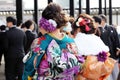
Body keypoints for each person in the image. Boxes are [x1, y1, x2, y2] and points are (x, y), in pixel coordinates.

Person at [22, 2, 81, 80]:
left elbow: (30, 67)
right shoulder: (70, 41)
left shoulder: (40, 42)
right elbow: (77, 65)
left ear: (44, 22)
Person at [73, 13, 115, 80]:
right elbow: (106, 51)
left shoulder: (75, 41)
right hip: (98, 75)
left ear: (78, 29)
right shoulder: (96, 39)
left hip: (82, 75)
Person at [99, 14, 120, 80]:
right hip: (103, 56)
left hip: (113, 54)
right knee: (107, 74)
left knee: (115, 72)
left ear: (103, 21)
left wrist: (118, 48)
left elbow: (117, 40)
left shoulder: (111, 28)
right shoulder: (98, 29)